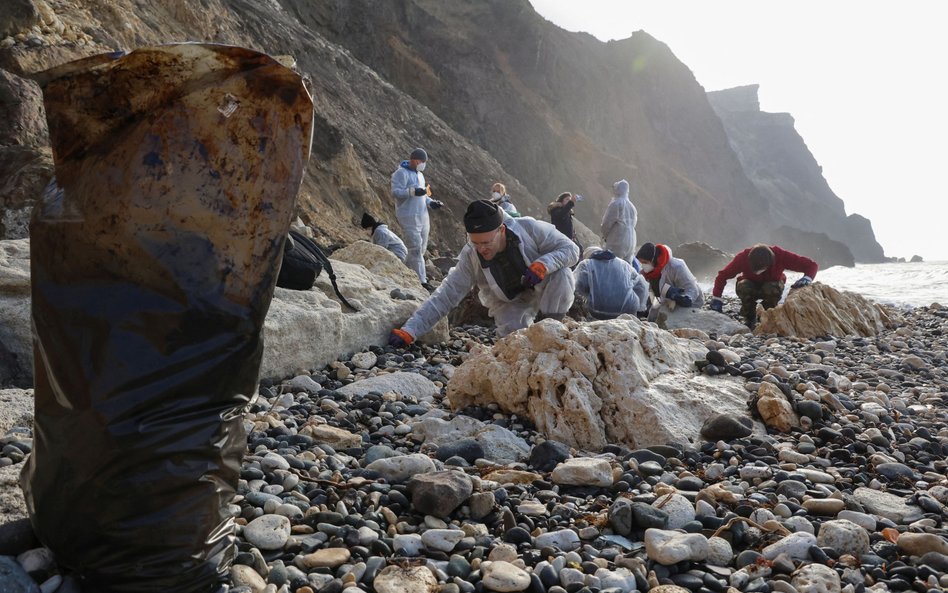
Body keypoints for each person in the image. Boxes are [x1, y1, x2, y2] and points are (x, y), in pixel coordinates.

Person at [389, 200, 579, 345]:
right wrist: (410, 330)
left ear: (501, 230)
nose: (482, 249)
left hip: (542, 284)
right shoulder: (471, 256)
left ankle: (551, 328)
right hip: (508, 301)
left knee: (562, 275)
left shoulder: (530, 229)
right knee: (514, 346)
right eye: (476, 243)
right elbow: (446, 295)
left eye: (487, 242)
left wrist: (543, 264)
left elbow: (571, 250)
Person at [710, 244, 818, 328]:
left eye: (760, 269)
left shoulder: (781, 255)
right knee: (744, 286)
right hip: (750, 285)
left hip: (772, 285)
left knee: (771, 288)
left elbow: (811, 265)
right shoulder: (743, 257)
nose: (757, 272)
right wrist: (717, 298)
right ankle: (749, 317)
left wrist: (807, 278)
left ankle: (768, 315)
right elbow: (722, 275)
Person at [390, 147, 444, 289]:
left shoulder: (420, 175)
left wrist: (432, 203)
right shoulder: (400, 173)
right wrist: (412, 191)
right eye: (421, 161)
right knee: (415, 247)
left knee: (421, 249)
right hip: (408, 216)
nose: (423, 164)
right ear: (413, 160)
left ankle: (405, 272)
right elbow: (396, 192)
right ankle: (422, 281)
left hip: (422, 216)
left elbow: (423, 195)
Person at [574, 245, 649, 320]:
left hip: (598, 311)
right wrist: (640, 308)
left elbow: (578, 285)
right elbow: (641, 285)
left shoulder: (586, 264)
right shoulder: (624, 265)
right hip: (628, 310)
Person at [635, 242, 705, 311]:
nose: (643, 265)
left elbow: (692, 288)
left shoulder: (676, 266)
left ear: (654, 260)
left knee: (667, 291)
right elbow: (653, 295)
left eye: (645, 263)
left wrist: (685, 298)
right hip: (667, 302)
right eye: (641, 263)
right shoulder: (649, 273)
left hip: (692, 303)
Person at [600, 179, 638, 263]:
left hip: (618, 240)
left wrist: (605, 235)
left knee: (613, 266)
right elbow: (634, 224)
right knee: (626, 269)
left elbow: (607, 223)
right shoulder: (632, 207)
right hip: (631, 241)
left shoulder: (616, 203)